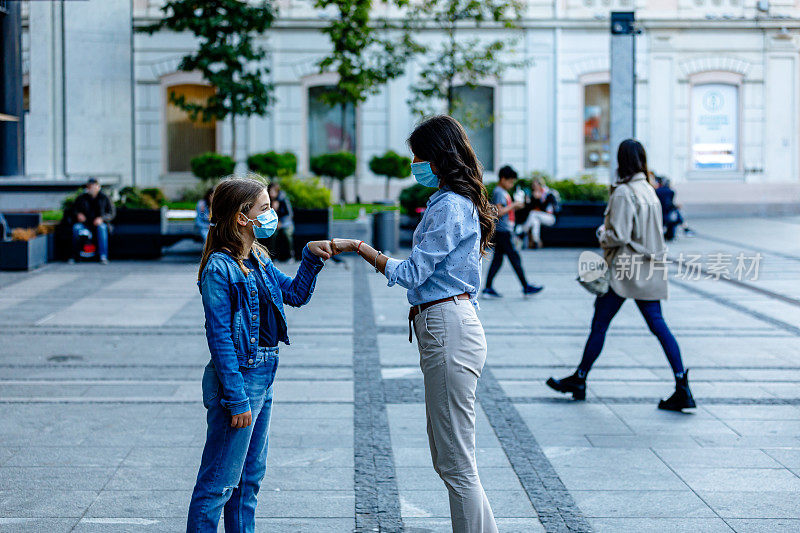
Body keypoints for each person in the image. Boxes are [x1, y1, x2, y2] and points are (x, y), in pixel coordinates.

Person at [332, 115, 499, 533]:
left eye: (419, 156)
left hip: (447, 325)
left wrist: (361, 248)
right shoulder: (454, 201)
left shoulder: (450, 206)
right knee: (453, 458)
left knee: (456, 462)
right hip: (450, 323)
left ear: (440, 158)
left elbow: (411, 275)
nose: (414, 164)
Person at [187, 176, 335, 532]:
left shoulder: (257, 256)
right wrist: (238, 400)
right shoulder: (219, 269)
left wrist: (312, 256)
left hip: (265, 375)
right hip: (240, 379)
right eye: (265, 209)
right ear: (242, 217)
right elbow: (220, 339)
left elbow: (295, 294)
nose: (272, 214)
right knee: (219, 484)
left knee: (248, 481)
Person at [546, 140, 695, 412]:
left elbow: (620, 235)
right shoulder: (649, 190)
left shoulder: (625, 192)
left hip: (625, 271)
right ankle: (681, 384)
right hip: (648, 268)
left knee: (600, 323)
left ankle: (579, 379)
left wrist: (602, 234)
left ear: (621, 161)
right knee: (657, 324)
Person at [482, 165, 543, 298]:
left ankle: (488, 288)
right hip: (503, 231)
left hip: (504, 230)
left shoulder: (502, 192)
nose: (511, 184)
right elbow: (498, 212)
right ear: (503, 179)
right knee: (514, 258)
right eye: (510, 181)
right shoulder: (499, 192)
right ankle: (525, 286)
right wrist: (514, 205)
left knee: (498, 260)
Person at [70, 178, 114, 264]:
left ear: (98, 187)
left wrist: (102, 219)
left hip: (99, 224)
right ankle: (75, 256)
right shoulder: (81, 198)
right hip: (85, 223)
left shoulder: (105, 198)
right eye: (89, 186)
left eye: (93, 186)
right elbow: (74, 210)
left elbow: (111, 213)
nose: (91, 188)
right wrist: (78, 215)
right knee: (76, 228)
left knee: (102, 228)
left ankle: (103, 256)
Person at [516, 177, 558, 248]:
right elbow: (529, 208)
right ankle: (536, 241)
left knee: (533, 214)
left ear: (540, 185)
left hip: (550, 217)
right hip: (539, 217)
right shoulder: (534, 195)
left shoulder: (548, 193)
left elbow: (551, 207)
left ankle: (522, 232)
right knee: (535, 221)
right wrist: (534, 199)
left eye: (535, 186)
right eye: (533, 186)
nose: (534, 188)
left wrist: (541, 198)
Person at [654, 175, 693, 241]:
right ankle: (684, 228)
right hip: (666, 213)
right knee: (676, 214)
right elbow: (669, 203)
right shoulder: (670, 191)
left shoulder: (656, 191)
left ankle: (685, 228)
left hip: (659, 212)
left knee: (675, 214)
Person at [265, 181, 294, 261]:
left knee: (286, 233)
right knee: (272, 234)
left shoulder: (283, 199)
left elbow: (289, 214)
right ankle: (272, 256)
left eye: (274, 191)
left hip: (285, 223)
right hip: (272, 223)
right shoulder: (267, 200)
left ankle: (290, 255)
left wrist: (280, 222)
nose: (272, 193)